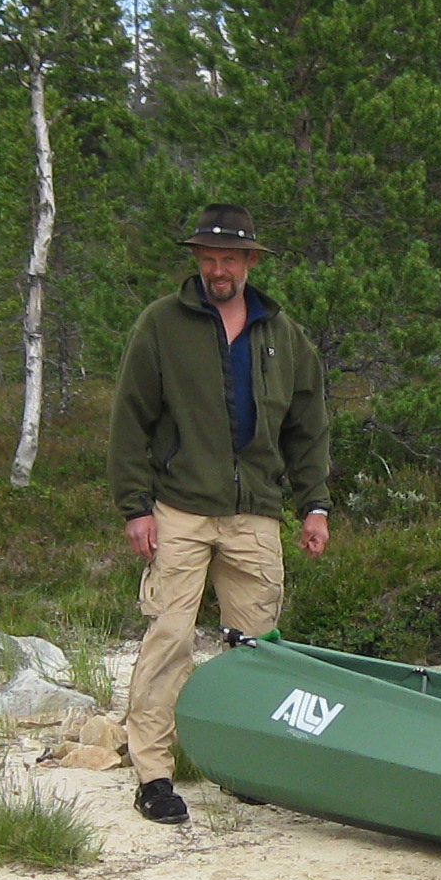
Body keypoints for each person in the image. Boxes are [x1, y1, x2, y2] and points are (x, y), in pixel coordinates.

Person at [109, 201, 330, 824]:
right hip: (178, 508)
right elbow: (130, 418)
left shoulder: (282, 335)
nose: (217, 270)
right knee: (169, 638)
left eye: (229, 258)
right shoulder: (161, 324)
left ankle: (242, 765)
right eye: (208, 258)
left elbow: (308, 427)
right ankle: (154, 776)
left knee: (256, 648)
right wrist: (135, 507)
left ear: (250, 261)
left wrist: (314, 505)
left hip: (255, 511)